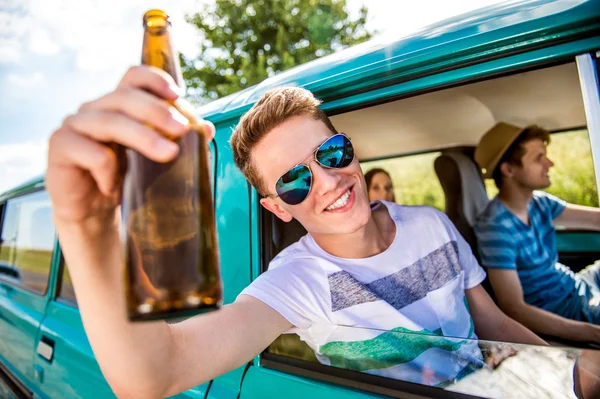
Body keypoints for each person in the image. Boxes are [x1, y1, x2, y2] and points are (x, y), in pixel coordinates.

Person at [47, 67, 546, 398]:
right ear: (276, 208)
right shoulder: (298, 282)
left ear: (350, 148)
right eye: (294, 181)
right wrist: (87, 227)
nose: (328, 182)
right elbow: (157, 371)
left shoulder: (432, 224)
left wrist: (565, 366)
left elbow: (493, 324)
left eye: (330, 155)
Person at [473, 122, 600, 344]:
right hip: (569, 309)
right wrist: (593, 332)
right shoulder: (496, 227)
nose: (549, 163)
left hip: (576, 284)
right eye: (538, 157)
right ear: (508, 169)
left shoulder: (539, 203)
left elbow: (596, 220)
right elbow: (515, 308)